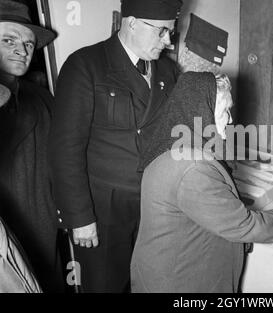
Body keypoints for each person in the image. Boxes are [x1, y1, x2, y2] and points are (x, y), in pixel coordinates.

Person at [130, 16, 273, 293]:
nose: (229, 119)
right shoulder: (192, 169)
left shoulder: (174, 148)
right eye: (224, 111)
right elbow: (243, 226)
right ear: (202, 113)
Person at [48, 0, 182, 292]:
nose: (168, 42)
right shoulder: (86, 65)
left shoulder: (168, 72)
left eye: (170, 32)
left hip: (153, 207)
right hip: (103, 213)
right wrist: (80, 217)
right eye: (162, 31)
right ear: (131, 22)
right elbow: (65, 148)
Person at [0, 0, 63, 292]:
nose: (22, 50)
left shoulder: (42, 97)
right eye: (9, 39)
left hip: (42, 227)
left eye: (28, 43)